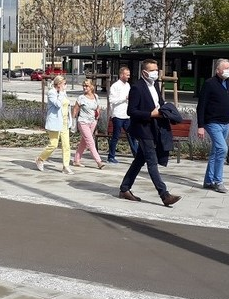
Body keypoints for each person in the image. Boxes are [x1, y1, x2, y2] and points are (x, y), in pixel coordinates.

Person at [118, 59, 181, 206]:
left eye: (156, 70)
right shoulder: (137, 88)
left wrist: (167, 110)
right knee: (152, 162)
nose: (155, 73)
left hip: (155, 127)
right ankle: (164, 195)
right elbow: (131, 111)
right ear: (144, 72)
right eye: (152, 70)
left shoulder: (155, 85)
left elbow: (160, 102)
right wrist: (150, 114)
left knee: (140, 160)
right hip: (143, 129)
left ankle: (124, 188)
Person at [196, 58, 229, 194]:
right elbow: (202, 106)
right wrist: (201, 125)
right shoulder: (209, 84)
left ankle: (208, 181)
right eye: (225, 68)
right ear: (217, 70)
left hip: (225, 124)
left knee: (215, 152)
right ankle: (218, 181)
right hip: (212, 123)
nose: (228, 70)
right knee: (222, 148)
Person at [35, 75, 73, 174]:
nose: (66, 86)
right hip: (55, 122)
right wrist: (60, 92)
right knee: (54, 144)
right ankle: (40, 159)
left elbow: (67, 105)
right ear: (59, 84)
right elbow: (57, 104)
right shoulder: (52, 93)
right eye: (64, 84)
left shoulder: (63, 93)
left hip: (64, 122)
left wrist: (70, 120)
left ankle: (66, 166)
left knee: (66, 145)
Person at [107, 66, 138, 163]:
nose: (128, 76)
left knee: (132, 135)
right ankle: (111, 157)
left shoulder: (128, 85)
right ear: (121, 75)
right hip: (118, 115)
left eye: (129, 74)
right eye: (127, 74)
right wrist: (124, 98)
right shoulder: (115, 86)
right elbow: (112, 100)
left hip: (127, 115)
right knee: (116, 137)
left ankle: (137, 156)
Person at [73, 79, 105, 169]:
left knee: (84, 142)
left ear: (91, 87)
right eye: (83, 85)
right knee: (90, 142)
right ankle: (99, 161)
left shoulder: (96, 96)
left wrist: (97, 116)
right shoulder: (81, 98)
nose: (84, 87)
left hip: (92, 122)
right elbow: (75, 110)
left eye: (86, 86)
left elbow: (98, 107)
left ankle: (76, 160)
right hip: (83, 122)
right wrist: (72, 122)